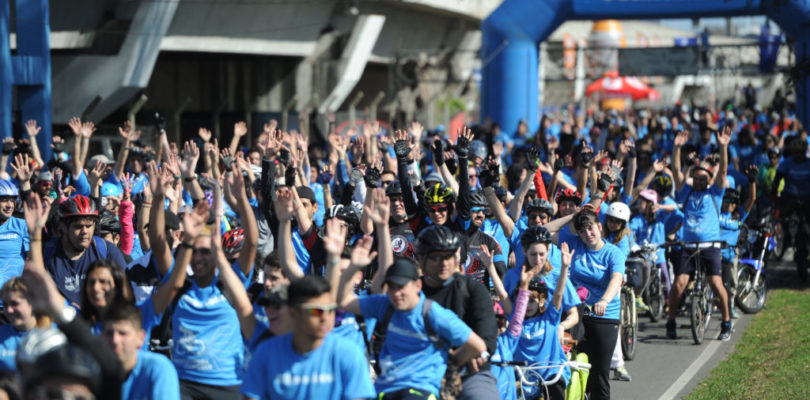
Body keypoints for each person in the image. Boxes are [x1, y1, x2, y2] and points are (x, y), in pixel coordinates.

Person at [340, 255, 486, 400]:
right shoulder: (385, 304)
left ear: (418, 285)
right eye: (392, 287)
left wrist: (450, 362)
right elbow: (343, 301)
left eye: (401, 286)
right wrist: (351, 266)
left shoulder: (433, 313)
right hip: (384, 390)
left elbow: (478, 346)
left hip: (419, 391)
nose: (396, 293)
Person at [241, 276, 376, 400]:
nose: (325, 318)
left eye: (330, 310)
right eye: (316, 311)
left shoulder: (349, 354)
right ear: (294, 313)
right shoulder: (266, 353)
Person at [668, 127, 733, 341]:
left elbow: (722, 171)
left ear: (708, 179)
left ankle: (726, 323)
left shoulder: (715, 192)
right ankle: (671, 321)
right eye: (695, 178)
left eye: (703, 179)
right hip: (688, 247)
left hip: (710, 246)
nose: (698, 182)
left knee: (716, 283)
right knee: (679, 283)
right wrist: (676, 148)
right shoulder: (686, 192)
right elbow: (677, 172)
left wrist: (723, 146)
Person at [567, 209, 626, 400]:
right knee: (571, 365)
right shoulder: (576, 245)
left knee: (598, 374)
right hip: (577, 315)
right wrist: (572, 214)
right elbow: (548, 229)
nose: (587, 234)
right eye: (582, 231)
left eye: (591, 228)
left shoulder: (613, 253)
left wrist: (604, 300)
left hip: (604, 316)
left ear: (600, 227)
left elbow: (616, 279)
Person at [43, 194, 128, 306]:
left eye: (89, 226)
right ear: (63, 227)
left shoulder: (106, 250)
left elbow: (126, 291)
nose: (84, 231)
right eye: (78, 226)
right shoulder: (47, 252)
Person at [101, 301, 181, 400]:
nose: (115, 340)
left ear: (141, 338)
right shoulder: (93, 369)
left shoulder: (158, 368)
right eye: (109, 333)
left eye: (123, 333)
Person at [0, 278, 38, 372]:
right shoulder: (1, 335)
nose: (9, 310)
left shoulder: (53, 334)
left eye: (14, 304)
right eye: (5, 305)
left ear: (32, 302)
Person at [0, 179, 28, 293]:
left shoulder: (22, 225)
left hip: (16, 299)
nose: (10, 205)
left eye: (12, 201)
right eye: (5, 200)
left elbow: (32, 261)